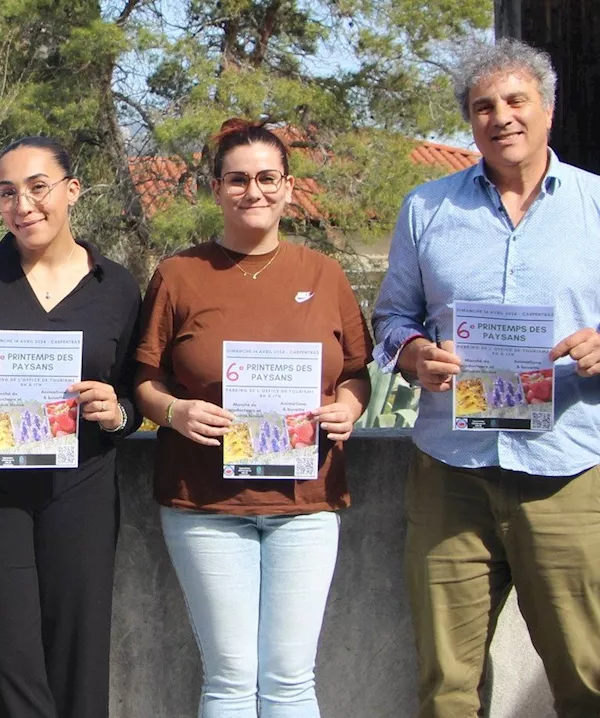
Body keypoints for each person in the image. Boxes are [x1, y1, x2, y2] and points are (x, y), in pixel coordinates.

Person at [372, 38, 600, 717]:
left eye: (515, 101)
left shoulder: (596, 205)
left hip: (567, 468)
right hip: (452, 471)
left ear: (547, 110)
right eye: (482, 107)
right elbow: (391, 319)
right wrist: (413, 354)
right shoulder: (427, 208)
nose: (500, 117)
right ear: (469, 122)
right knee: (447, 687)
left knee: (587, 677)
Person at [132, 119, 372, 717]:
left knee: (291, 679)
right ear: (215, 189)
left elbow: (356, 372)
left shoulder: (324, 274)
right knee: (232, 678)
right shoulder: (179, 274)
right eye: (237, 179)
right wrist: (174, 411)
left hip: (306, 505)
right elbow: (143, 381)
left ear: (289, 187)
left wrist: (347, 407)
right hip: (207, 507)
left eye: (268, 178)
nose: (253, 191)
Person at [0, 136, 142, 718]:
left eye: (37, 187)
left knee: (80, 655)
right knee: (6, 662)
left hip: (83, 488)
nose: (23, 204)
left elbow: (136, 391)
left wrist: (116, 411)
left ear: (72, 190)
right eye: (7, 192)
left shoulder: (116, 286)